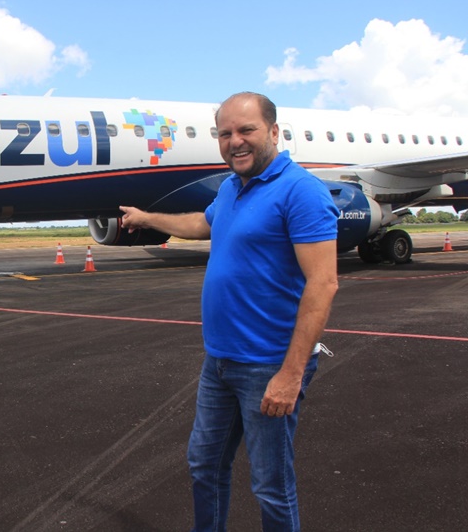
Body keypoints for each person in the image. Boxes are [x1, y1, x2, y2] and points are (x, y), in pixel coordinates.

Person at [120, 92, 339, 531]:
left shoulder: (302, 192)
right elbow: (203, 223)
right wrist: (148, 218)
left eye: (246, 130)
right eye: (225, 133)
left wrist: (291, 375)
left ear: (274, 132)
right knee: (204, 466)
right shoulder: (230, 187)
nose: (235, 141)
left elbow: (324, 283)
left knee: (270, 485)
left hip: (269, 364)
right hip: (219, 361)